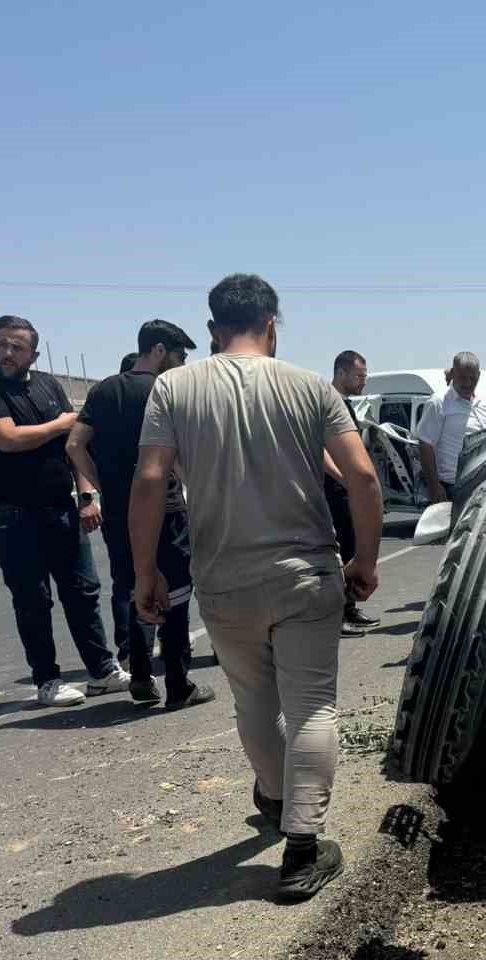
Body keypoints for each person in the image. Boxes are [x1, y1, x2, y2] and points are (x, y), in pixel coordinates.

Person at [129, 274, 383, 901]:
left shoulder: (173, 387)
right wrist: (366, 562)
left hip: (222, 580)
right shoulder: (310, 387)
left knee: (253, 705)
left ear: (213, 328)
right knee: (313, 708)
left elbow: (149, 481)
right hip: (305, 575)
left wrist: (145, 572)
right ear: (273, 324)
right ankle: (302, 847)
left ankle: (273, 797)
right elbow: (364, 478)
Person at [0, 316, 131, 707]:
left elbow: (76, 444)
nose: (7, 352)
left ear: (33, 354)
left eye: (16, 347)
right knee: (33, 598)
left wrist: (87, 495)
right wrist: (61, 423)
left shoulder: (48, 384)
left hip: (59, 507)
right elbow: (8, 439)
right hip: (10, 512)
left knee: (84, 591)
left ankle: (102, 672)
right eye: (1, 344)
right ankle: (47, 680)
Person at [67, 320, 213, 710]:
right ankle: (179, 685)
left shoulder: (104, 389)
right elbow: (180, 456)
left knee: (134, 589)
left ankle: (142, 678)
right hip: (164, 509)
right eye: (180, 356)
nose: (182, 365)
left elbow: (75, 444)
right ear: (161, 350)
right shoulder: (166, 390)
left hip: (119, 513)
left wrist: (104, 485)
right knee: (177, 593)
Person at [323, 350, 380, 637]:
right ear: (341, 373)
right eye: (359, 376)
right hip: (334, 491)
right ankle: (338, 615)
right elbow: (321, 449)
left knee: (351, 547)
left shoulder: (343, 404)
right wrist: (344, 478)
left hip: (346, 490)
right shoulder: (326, 402)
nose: (363, 382)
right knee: (341, 551)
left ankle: (349, 608)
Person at [415, 351, 486, 502]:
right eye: (462, 378)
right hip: (451, 488)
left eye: (472, 378)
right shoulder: (438, 403)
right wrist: (434, 486)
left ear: (478, 376)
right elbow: (425, 446)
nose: (467, 383)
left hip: (485, 486)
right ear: (453, 373)